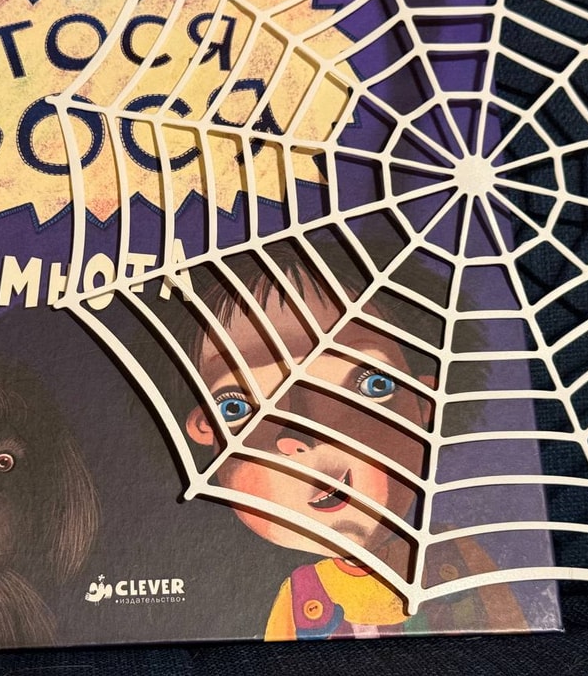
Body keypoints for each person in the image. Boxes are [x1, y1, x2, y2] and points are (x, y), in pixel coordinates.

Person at [170, 238, 527, 639]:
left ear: (425, 404)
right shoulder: (298, 600)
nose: (303, 436)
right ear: (205, 430)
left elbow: (516, 630)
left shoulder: (458, 554)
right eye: (238, 407)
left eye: (371, 384)